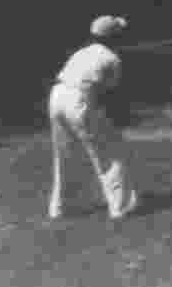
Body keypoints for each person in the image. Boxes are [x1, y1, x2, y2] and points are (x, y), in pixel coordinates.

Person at [48, 15, 140, 220]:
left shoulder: (80, 53)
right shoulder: (112, 59)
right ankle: (121, 208)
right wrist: (114, 121)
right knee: (110, 153)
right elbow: (110, 95)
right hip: (79, 101)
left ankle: (59, 208)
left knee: (64, 154)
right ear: (113, 37)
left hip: (56, 97)